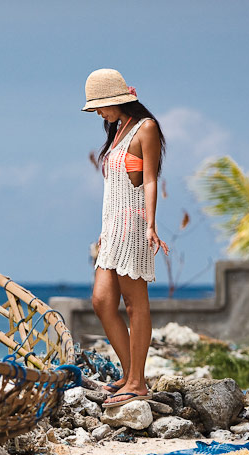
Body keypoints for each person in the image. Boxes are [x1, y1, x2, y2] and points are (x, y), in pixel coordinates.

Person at [82, 68, 169, 407]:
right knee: (102, 301)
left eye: (100, 107)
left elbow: (149, 180)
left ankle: (138, 382)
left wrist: (151, 224)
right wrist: (103, 231)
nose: (99, 114)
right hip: (113, 229)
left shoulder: (145, 128)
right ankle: (129, 373)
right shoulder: (118, 130)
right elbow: (112, 190)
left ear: (117, 100)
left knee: (135, 305)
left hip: (133, 226)